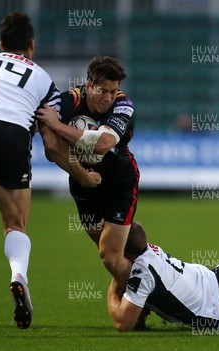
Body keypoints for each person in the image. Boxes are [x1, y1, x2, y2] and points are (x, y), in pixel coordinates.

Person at [0, 13, 99, 336]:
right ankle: (18, 275)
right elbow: (52, 146)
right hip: (14, 137)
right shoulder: (45, 82)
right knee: (15, 223)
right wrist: (81, 174)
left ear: (0, 45)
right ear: (32, 45)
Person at [36, 56, 139, 289]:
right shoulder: (67, 102)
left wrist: (58, 126)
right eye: (103, 91)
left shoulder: (124, 105)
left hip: (119, 182)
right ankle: (138, 281)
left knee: (110, 255)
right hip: (83, 187)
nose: (109, 98)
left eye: (114, 91)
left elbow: (102, 144)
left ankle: (148, 301)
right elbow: (52, 149)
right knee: (110, 250)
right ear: (89, 84)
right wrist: (82, 174)